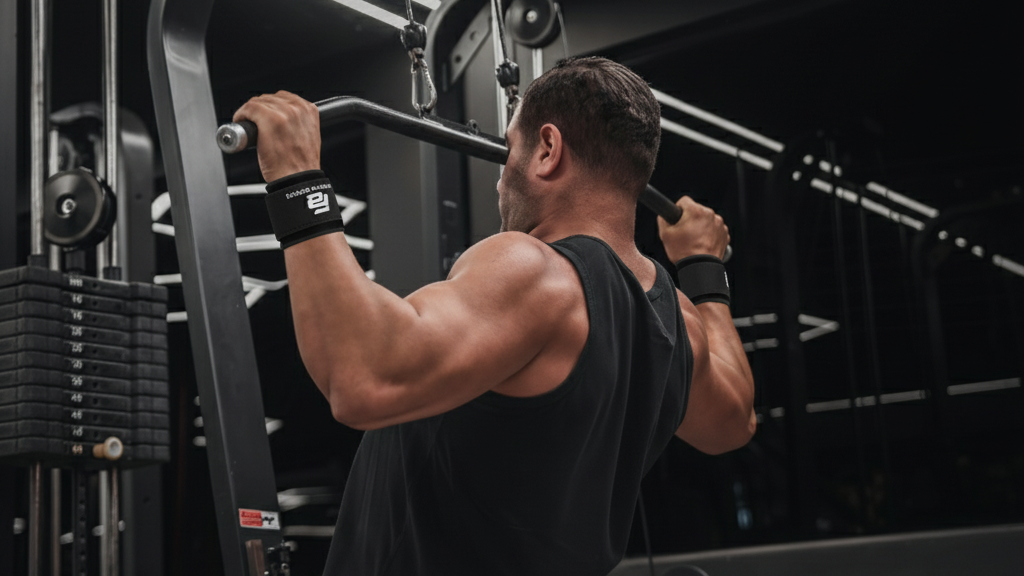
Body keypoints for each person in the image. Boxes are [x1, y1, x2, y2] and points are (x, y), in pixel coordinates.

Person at [233, 56, 755, 576]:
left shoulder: (537, 270)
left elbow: (363, 376)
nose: (501, 178)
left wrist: (297, 178)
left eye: (510, 149)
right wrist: (702, 268)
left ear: (548, 150)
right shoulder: (679, 323)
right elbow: (733, 423)